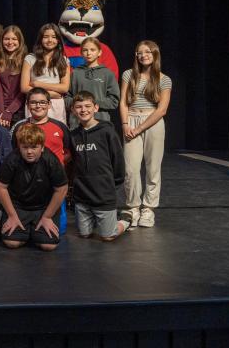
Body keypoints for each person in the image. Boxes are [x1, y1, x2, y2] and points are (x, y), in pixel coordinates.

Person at [119, 40, 172, 228]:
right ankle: (133, 207)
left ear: (155, 54)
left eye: (147, 52)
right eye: (139, 52)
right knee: (131, 168)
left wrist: (140, 128)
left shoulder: (164, 79)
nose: (143, 55)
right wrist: (125, 124)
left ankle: (148, 209)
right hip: (131, 120)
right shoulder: (128, 75)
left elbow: (162, 109)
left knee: (153, 168)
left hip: (152, 123)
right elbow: (123, 102)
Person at [0, 123, 69, 251]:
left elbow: (61, 188)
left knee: (49, 245)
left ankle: (32, 230)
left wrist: (47, 216)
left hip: (43, 207)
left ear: (42, 147)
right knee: (11, 242)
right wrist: (12, 215)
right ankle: (28, 230)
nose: (29, 152)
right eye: (25, 147)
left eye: (34, 147)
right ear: (19, 146)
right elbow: (0, 186)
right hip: (18, 206)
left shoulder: (50, 160)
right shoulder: (13, 159)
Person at [69, 91, 129, 240]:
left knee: (108, 236)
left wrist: (114, 183)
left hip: (103, 194)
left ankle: (125, 220)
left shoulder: (107, 131)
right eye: (79, 107)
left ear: (96, 108)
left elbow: (118, 160)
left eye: (88, 106)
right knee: (84, 235)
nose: (83, 110)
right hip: (82, 196)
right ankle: (97, 221)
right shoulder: (73, 135)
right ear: (73, 110)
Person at [20, 24, 71, 123]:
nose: (50, 40)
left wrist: (38, 84)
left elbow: (64, 87)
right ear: (40, 39)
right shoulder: (30, 58)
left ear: (58, 40)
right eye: (46, 37)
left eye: (53, 37)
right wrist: (52, 94)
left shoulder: (63, 60)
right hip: (36, 104)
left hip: (55, 104)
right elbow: (24, 88)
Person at [66, 37, 119, 129]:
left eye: (92, 50)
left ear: (99, 52)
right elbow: (67, 97)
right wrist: (78, 105)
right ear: (81, 53)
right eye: (85, 50)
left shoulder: (107, 74)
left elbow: (114, 101)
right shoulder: (75, 73)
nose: (89, 53)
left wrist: (92, 104)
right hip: (77, 122)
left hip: (100, 120)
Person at [0, 25, 28, 127]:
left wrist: (9, 112)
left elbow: (23, 92)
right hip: (0, 111)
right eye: (6, 39)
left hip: (20, 109)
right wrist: (2, 113)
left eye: (14, 39)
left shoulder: (27, 60)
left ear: (20, 41)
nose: (10, 42)